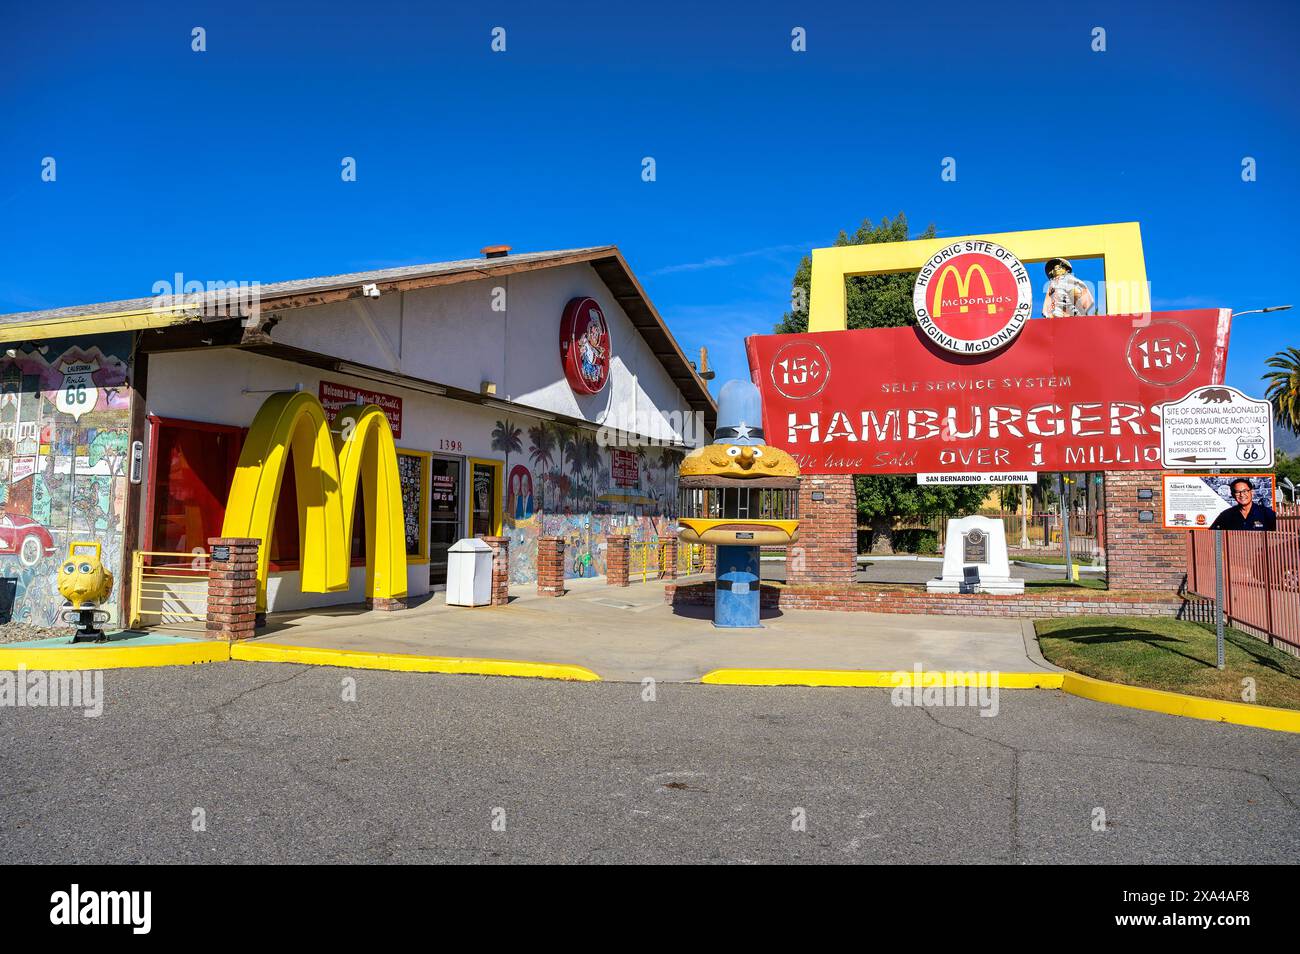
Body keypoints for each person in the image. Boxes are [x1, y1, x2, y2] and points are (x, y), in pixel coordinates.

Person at [1209, 478, 1276, 530]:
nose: (1241, 495)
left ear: (1252, 492)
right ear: (1233, 495)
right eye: (1237, 492)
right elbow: (1212, 534)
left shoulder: (1267, 514)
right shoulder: (1226, 515)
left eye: (1245, 491)